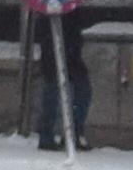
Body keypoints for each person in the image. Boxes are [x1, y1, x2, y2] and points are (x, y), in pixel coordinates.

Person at [34, 13, 93, 151]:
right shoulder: (55, 13)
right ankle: (62, 134)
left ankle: (68, 133)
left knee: (67, 94)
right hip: (57, 55)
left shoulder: (55, 12)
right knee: (55, 95)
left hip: (66, 55)